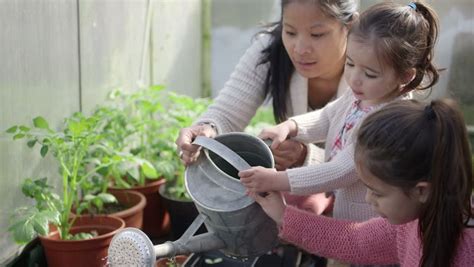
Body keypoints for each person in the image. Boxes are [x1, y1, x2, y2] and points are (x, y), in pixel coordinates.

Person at [239, 1, 440, 223]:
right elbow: (326, 117)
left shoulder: (389, 121)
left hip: (368, 222)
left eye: (370, 74)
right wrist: (290, 127)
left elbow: (339, 172)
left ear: (405, 77)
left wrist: (275, 180)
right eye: (350, 64)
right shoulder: (362, 94)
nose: (354, 79)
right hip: (344, 210)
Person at [249, 99, 474, 267]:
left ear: (421, 191)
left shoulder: (466, 251)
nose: (368, 199)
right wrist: (282, 213)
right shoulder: (410, 223)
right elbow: (353, 240)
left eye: (378, 193)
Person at [176, 0, 357, 171]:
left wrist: (306, 156)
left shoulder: (375, 68)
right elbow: (228, 113)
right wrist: (207, 129)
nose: (300, 49)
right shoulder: (269, 50)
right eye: (290, 32)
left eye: (317, 34)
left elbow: (369, 161)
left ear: (350, 25)